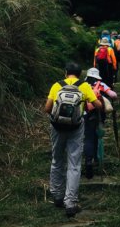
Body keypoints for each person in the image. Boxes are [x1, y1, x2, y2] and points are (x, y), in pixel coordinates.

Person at [44, 61, 102, 217]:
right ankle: (70, 203)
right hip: (76, 128)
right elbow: (97, 105)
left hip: (57, 128)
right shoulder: (84, 86)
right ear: (80, 73)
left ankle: (57, 196)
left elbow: (47, 109)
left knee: (57, 160)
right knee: (74, 164)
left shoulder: (57, 85)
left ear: (65, 72)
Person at [83, 67, 117, 178]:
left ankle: (88, 160)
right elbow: (113, 95)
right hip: (97, 114)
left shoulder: (82, 84)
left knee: (87, 137)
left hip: (83, 114)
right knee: (97, 135)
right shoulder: (100, 84)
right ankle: (97, 158)